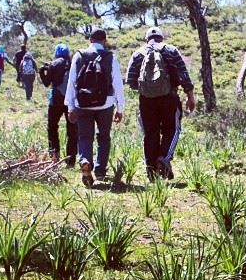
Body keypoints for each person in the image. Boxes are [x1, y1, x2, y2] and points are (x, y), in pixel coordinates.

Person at [125, 26, 195, 180]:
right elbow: (183, 74)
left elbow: (130, 80)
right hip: (169, 98)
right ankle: (163, 159)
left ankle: (151, 168)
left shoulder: (138, 54)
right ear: (161, 38)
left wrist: (147, 89)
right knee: (172, 130)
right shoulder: (171, 50)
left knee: (150, 133)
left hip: (146, 101)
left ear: (146, 39)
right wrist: (190, 95)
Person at [66, 28, 124, 187]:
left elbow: (71, 83)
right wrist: (120, 108)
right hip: (105, 103)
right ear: (104, 41)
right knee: (104, 136)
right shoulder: (111, 57)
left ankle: (85, 160)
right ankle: (99, 171)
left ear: (90, 40)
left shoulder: (78, 55)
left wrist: (70, 106)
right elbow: (118, 84)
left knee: (84, 136)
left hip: (82, 104)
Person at [39, 44, 77, 166]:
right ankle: (70, 160)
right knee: (72, 130)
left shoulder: (53, 64)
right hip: (71, 101)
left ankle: (54, 156)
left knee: (52, 127)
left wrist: (41, 71)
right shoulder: (73, 64)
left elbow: (46, 83)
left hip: (56, 100)